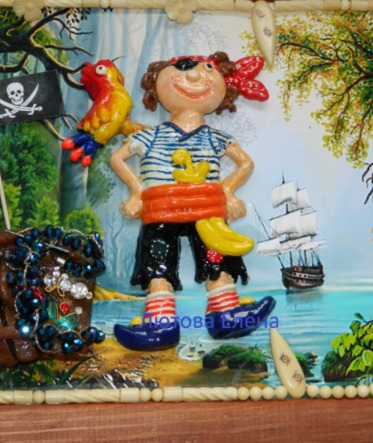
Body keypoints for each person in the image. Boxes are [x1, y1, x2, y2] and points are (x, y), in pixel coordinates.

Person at [110, 51, 276, 351]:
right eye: (184, 68)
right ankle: (160, 324)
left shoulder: (215, 137)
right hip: (160, 209)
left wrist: (228, 191)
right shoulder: (151, 135)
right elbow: (118, 158)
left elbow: (245, 163)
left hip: (207, 210)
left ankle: (225, 314)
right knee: (157, 263)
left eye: (208, 70)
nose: (196, 76)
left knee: (218, 257)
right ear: (155, 82)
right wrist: (136, 192)